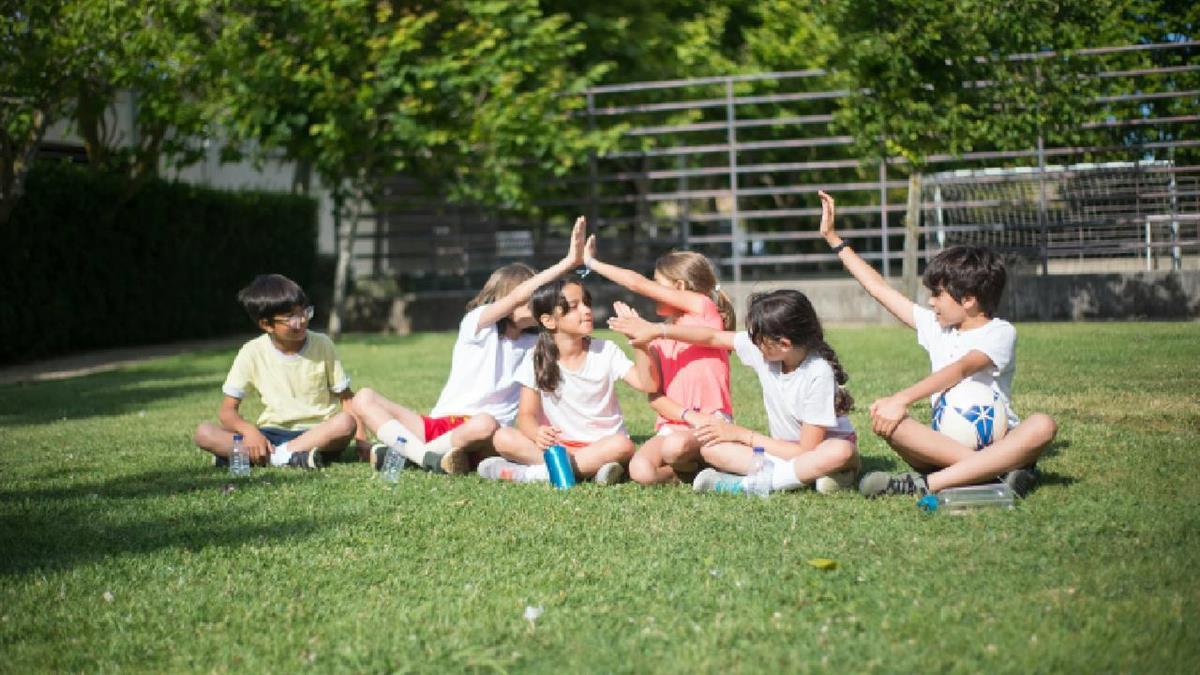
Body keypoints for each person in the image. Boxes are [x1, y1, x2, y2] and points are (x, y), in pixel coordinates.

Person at [814, 190, 1057, 498]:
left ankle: (928, 484)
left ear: (968, 299)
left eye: (938, 294)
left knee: (1042, 425)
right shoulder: (935, 326)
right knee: (886, 418)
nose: (930, 302)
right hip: (945, 446)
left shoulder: (1000, 332)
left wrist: (902, 397)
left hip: (998, 440)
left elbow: (961, 368)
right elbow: (878, 288)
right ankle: (996, 473)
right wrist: (834, 238)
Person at [352, 217, 587, 475]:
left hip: (485, 435)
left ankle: (409, 455)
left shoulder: (537, 344)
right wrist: (566, 262)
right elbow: (518, 297)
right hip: (438, 425)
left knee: (484, 423)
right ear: (505, 297)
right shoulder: (478, 325)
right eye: (529, 294)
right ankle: (429, 458)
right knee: (364, 397)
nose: (535, 300)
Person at [608, 290, 860, 495]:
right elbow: (711, 337)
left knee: (840, 451)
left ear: (783, 344)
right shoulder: (767, 354)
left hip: (815, 452)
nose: (753, 343)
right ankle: (807, 478)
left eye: (759, 338)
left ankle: (751, 484)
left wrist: (740, 435)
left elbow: (805, 451)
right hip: (780, 452)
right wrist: (658, 330)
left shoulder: (818, 372)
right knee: (711, 450)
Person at [580, 234, 735, 485]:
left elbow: (636, 282)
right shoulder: (657, 334)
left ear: (680, 288)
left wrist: (591, 263)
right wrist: (640, 342)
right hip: (676, 425)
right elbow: (654, 392)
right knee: (640, 470)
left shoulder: (703, 309)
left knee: (675, 447)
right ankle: (689, 471)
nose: (651, 290)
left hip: (711, 422)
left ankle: (711, 458)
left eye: (657, 284)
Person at [479, 277, 659, 484]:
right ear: (548, 321)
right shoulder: (535, 359)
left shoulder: (605, 351)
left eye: (587, 303)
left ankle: (536, 474)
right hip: (559, 447)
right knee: (503, 438)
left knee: (622, 446)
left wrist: (639, 343)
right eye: (574, 307)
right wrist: (536, 432)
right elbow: (526, 416)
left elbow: (647, 384)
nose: (586, 310)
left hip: (601, 445)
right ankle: (586, 470)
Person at [194, 274, 359, 469]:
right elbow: (227, 412)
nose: (301, 321)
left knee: (345, 422)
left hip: (319, 433)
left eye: (304, 312)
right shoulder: (251, 352)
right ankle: (290, 457)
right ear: (266, 324)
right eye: (290, 317)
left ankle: (262, 457)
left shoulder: (323, 344)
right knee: (204, 432)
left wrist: (362, 441)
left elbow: (347, 399)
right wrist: (250, 432)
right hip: (270, 433)